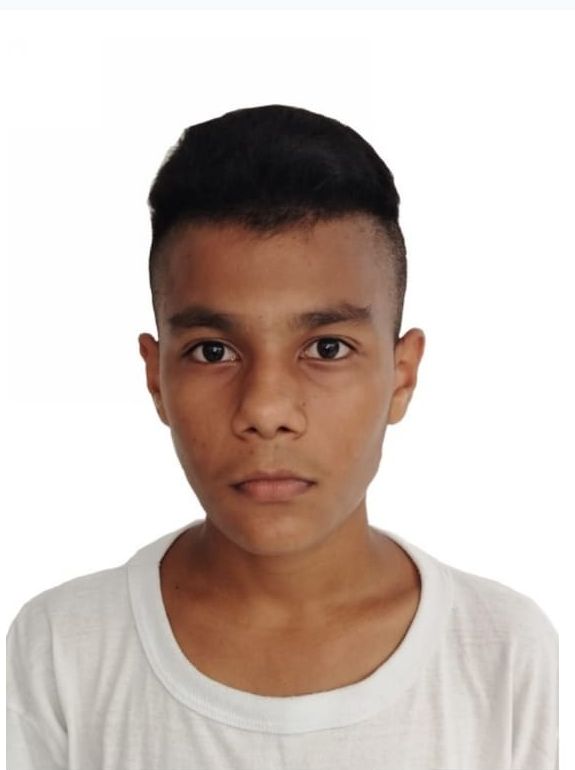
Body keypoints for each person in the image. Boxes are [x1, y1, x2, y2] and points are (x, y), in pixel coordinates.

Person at [6, 104, 558, 770]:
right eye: (213, 352)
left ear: (401, 376)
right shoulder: (61, 650)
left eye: (327, 348)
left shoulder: (504, 652)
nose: (266, 411)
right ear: (156, 378)